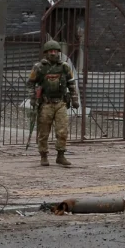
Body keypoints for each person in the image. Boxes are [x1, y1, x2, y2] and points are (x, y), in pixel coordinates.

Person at [28, 39, 79, 167]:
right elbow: (30, 83)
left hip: (60, 102)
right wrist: (33, 97)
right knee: (44, 131)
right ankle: (43, 155)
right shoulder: (39, 67)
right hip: (46, 103)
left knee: (62, 130)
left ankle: (60, 155)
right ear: (46, 53)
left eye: (55, 51)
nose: (53, 53)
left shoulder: (64, 67)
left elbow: (72, 84)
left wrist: (75, 99)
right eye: (50, 51)